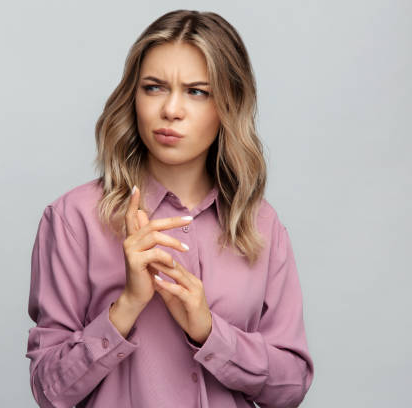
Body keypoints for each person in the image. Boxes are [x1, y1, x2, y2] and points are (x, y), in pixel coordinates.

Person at [26, 9, 314, 408]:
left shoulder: (260, 225)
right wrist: (126, 305)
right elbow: (49, 390)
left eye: (197, 91)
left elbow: (291, 386)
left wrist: (210, 331)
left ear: (228, 104)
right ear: (134, 96)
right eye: (154, 87)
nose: (171, 110)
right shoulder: (74, 218)